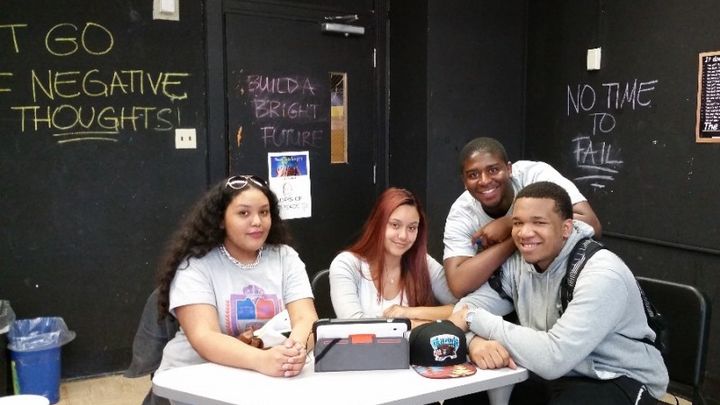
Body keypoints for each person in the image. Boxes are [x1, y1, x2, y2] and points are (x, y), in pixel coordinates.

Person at [448, 181, 668, 404]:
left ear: (566, 228)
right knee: (463, 396)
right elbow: (463, 309)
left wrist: (473, 319)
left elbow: (554, 358)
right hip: (554, 374)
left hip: (617, 376)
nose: (525, 233)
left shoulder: (601, 273)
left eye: (539, 222)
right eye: (518, 223)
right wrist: (475, 342)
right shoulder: (518, 265)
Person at [155, 175, 317, 380]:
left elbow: (306, 319)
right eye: (243, 213)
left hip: (265, 375)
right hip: (193, 377)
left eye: (264, 212)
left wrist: (294, 352)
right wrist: (262, 359)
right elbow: (204, 337)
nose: (257, 222)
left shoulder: (285, 257)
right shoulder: (195, 265)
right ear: (221, 220)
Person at [443, 137, 602, 297]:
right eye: (473, 175)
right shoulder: (462, 211)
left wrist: (510, 224)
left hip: (557, 278)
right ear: (464, 181)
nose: (484, 181)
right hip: (504, 287)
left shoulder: (534, 175)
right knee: (466, 309)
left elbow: (592, 224)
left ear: (509, 169)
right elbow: (458, 284)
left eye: (493, 170)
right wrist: (515, 238)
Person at [329, 187, 456, 327]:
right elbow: (355, 327)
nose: (403, 236)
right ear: (378, 224)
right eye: (395, 225)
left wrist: (409, 313)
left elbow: (463, 308)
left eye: (412, 228)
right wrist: (413, 325)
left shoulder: (424, 262)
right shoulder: (346, 264)